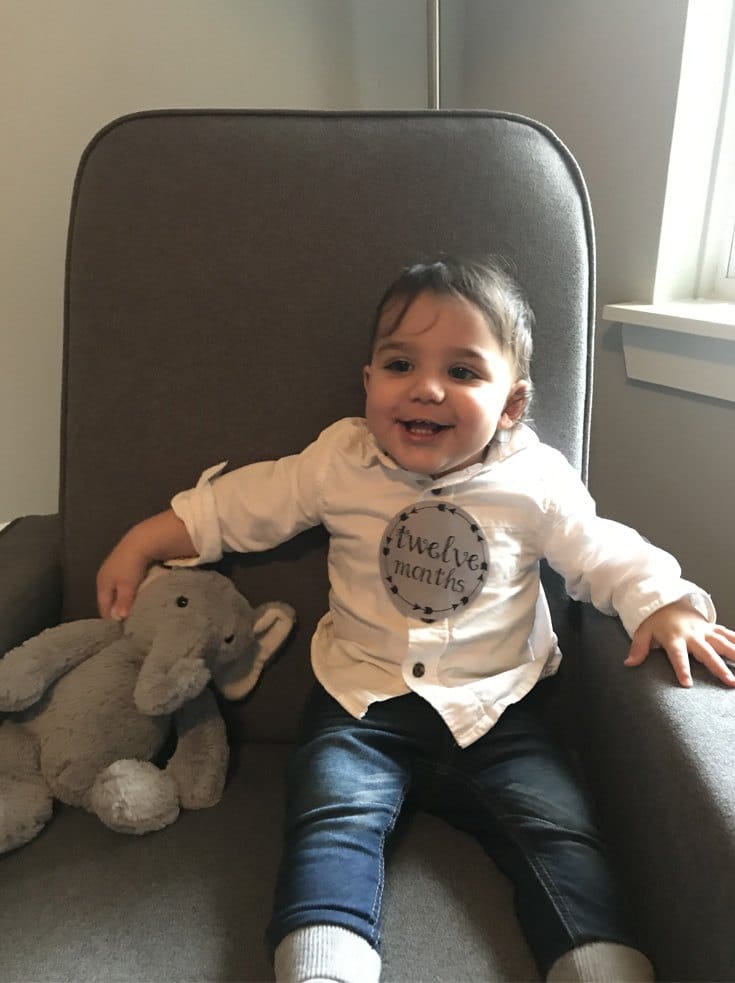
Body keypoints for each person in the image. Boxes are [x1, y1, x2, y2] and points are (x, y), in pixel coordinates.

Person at [97, 258, 735, 983]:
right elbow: (244, 506)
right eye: (400, 363)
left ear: (511, 404)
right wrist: (145, 539)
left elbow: (600, 548)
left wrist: (663, 600)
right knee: (329, 817)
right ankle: (323, 962)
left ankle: (596, 960)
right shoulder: (338, 459)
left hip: (500, 710)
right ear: (368, 381)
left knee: (559, 831)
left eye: (463, 372)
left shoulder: (534, 479)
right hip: (358, 704)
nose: (426, 387)